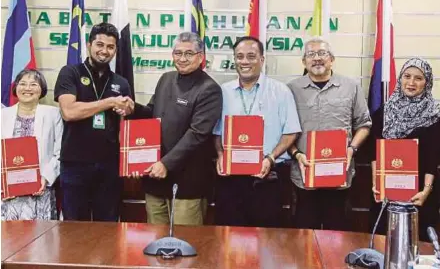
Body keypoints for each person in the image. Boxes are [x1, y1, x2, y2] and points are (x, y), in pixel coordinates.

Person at [123, 32, 222, 225]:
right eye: (178, 53)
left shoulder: (209, 89)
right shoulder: (166, 79)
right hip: (155, 178)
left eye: (189, 53)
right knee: (155, 240)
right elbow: (152, 113)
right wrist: (133, 108)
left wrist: (166, 164)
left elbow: (197, 134)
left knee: (184, 243)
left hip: (187, 183)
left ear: (200, 57)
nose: (182, 59)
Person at [213, 36, 301, 227]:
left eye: (251, 56)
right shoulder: (223, 92)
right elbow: (217, 132)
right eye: (239, 56)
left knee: (265, 242)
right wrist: (220, 154)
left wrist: (270, 158)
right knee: (230, 242)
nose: (244, 62)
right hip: (231, 180)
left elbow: (291, 132)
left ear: (262, 59)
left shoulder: (281, 91)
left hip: (268, 178)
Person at [287, 38, 372, 231]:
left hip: (339, 175)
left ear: (332, 59)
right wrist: (295, 154)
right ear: (303, 61)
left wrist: (352, 149)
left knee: (338, 232)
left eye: (322, 53)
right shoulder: (291, 89)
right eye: (311, 54)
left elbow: (364, 124)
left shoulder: (351, 87)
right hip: (304, 174)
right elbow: (284, 129)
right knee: (304, 234)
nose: (317, 59)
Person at [53, 23, 133, 221]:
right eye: (99, 44)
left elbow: (126, 125)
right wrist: (109, 102)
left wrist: (129, 109)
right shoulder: (70, 73)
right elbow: (69, 112)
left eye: (110, 47)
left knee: (108, 227)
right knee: (74, 228)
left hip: (110, 165)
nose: (104, 51)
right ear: (89, 45)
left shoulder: (121, 82)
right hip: (75, 163)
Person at [366, 57, 439, 241]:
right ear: (400, 79)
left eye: (418, 78)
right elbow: (374, 151)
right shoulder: (384, 111)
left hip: (420, 193)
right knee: (383, 244)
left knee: (418, 245)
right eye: (407, 76)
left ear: (427, 82)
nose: (411, 82)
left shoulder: (435, 113)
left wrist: (426, 191)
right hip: (386, 193)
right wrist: (377, 184)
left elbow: (433, 157)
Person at [1, 69, 63, 220]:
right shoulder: (2, 115)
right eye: (22, 83)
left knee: (40, 239)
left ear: (41, 89)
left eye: (33, 84)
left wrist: (46, 177)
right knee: (8, 240)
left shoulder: (53, 114)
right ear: (15, 88)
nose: (27, 88)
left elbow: (60, 151)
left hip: (41, 188)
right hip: (6, 191)